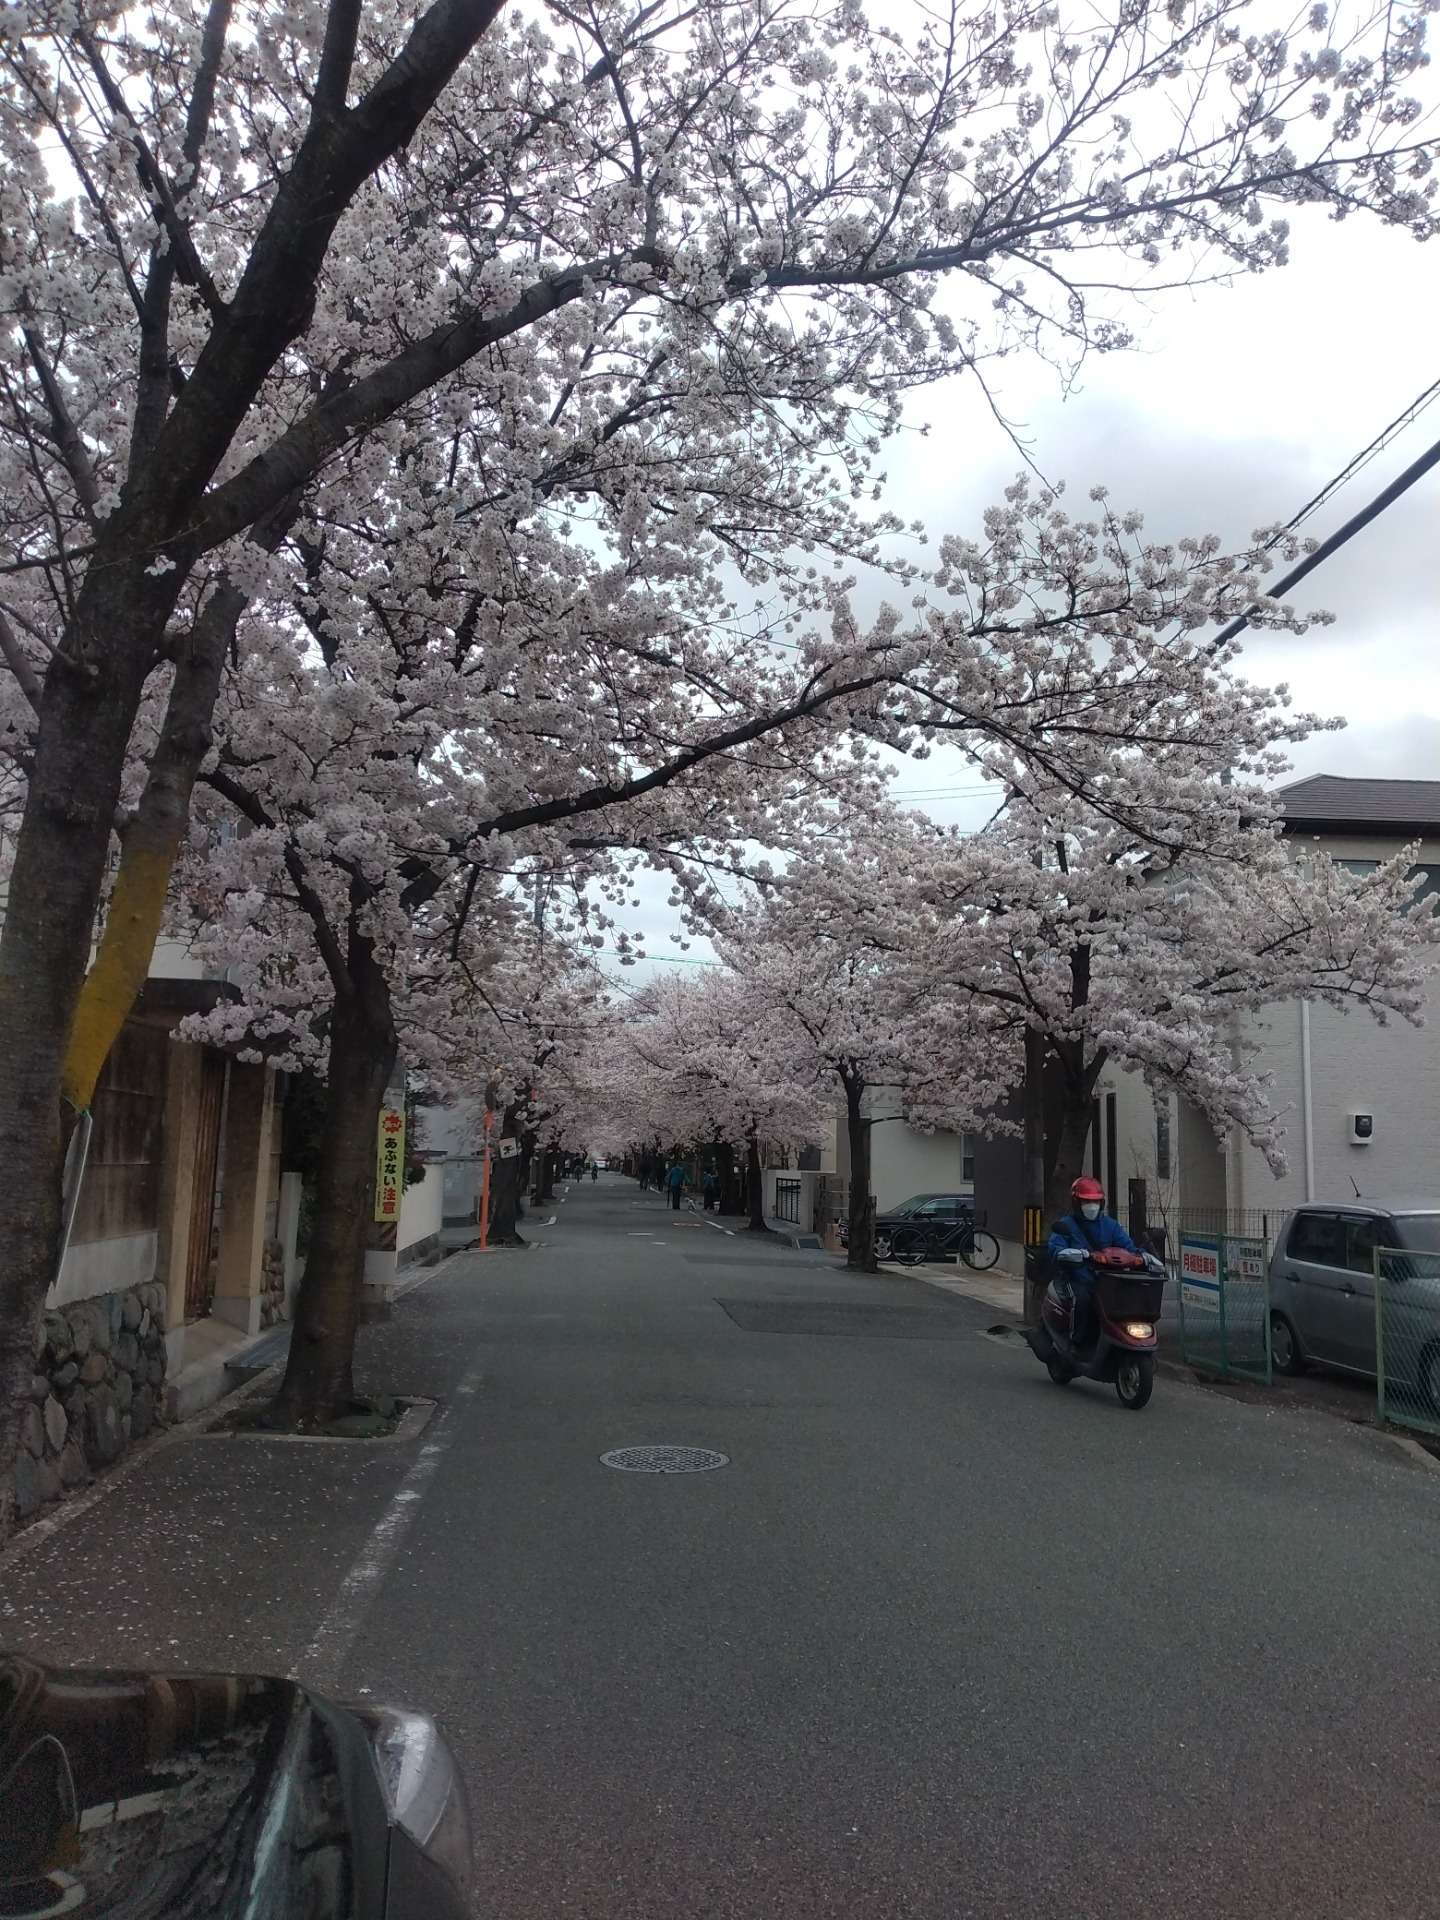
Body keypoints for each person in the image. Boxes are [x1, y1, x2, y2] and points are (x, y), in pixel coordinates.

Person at [1047, 1176, 1148, 1348]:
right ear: (1076, 1202)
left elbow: (1128, 1247)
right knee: (1083, 1300)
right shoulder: (1066, 1225)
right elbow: (1056, 1249)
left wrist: (1142, 1257)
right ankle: (1077, 1342)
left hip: (1109, 1281)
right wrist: (1075, 1255)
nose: (1091, 1206)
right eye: (1086, 1202)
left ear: (1102, 1203)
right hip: (1078, 1278)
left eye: (1095, 1202)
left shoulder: (1111, 1226)